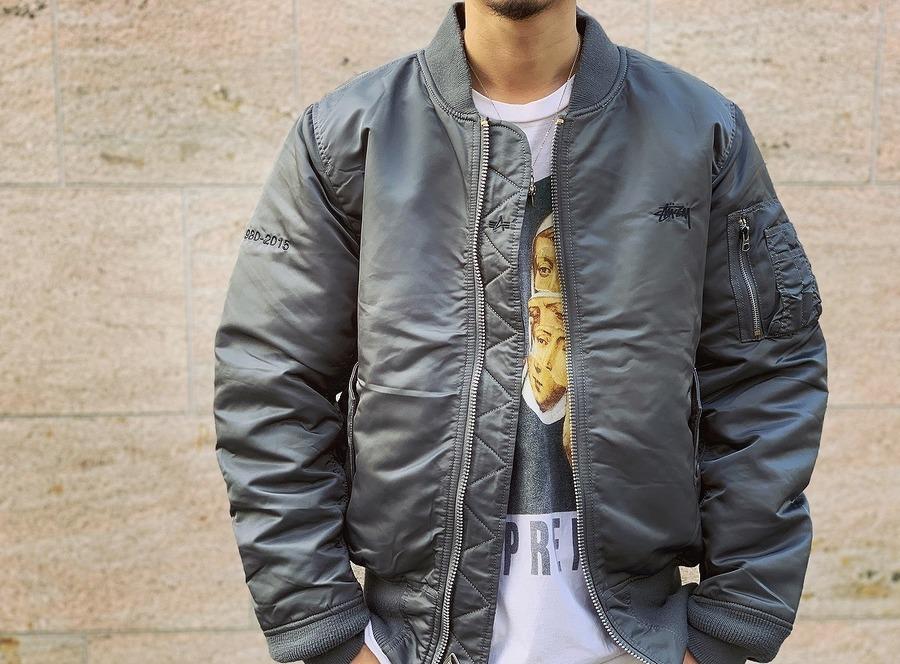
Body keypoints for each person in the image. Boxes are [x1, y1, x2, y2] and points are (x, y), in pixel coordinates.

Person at [212, 1, 828, 663]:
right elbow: (271, 389)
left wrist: (727, 628)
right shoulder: (347, 139)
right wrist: (327, 630)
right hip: (415, 645)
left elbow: (767, 378)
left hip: (641, 641)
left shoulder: (698, 132)